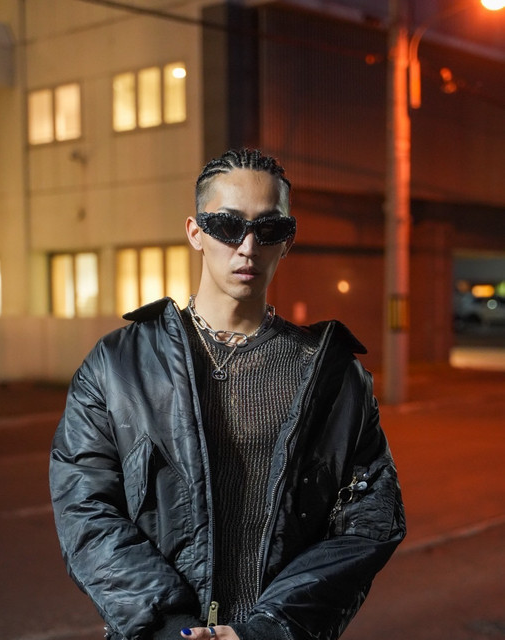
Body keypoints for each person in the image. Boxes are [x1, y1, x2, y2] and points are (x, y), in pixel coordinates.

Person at [49, 148, 406, 640]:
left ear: (288, 240)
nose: (248, 246)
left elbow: (369, 520)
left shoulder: (335, 376)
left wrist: (268, 628)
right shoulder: (118, 364)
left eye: (269, 228)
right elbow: (84, 506)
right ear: (196, 232)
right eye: (228, 225)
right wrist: (169, 625)